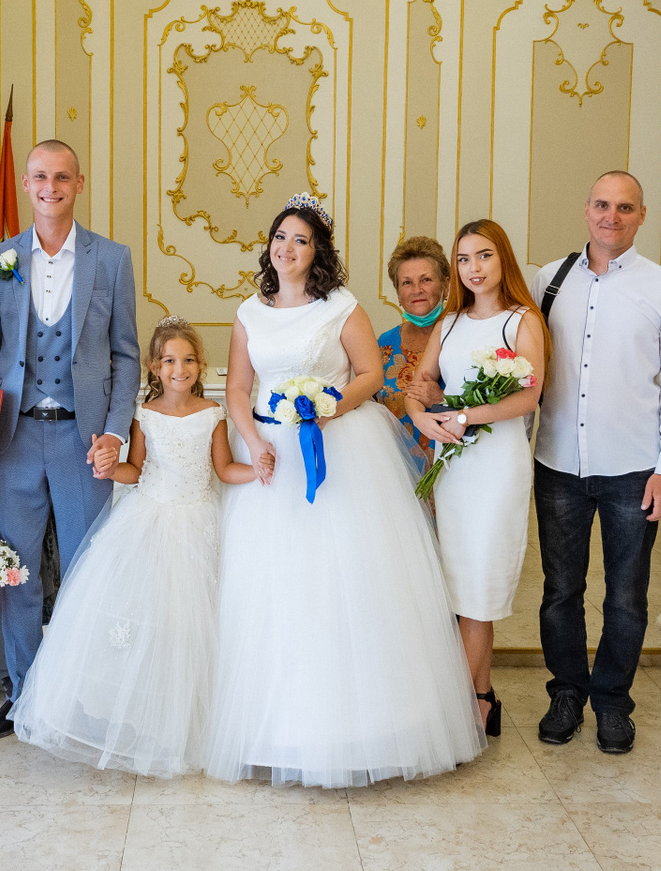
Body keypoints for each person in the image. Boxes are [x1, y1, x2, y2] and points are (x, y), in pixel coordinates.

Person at [209, 193, 485, 787]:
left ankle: (367, 729)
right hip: (271, 456)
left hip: (341, 451)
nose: (288, 248)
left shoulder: (340, 305)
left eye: (301, 240)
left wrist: (330, 406)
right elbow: (237, 389)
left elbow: (371, 373)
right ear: (269, 245)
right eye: (281, 237)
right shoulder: (249, 312)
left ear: (318, 252)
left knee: (345, 584)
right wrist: (253, 441)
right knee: (276, 589)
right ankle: (275, 728)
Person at [13, 317, 254, 775]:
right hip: (149, 519)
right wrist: (109, 469)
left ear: (201, 364)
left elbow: (224, 469)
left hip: (198, 521)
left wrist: (258, 470)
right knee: (149, 615)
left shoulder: (213, 413)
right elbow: (137, 470)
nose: (180, 369)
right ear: (154, 367)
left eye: (188, 360)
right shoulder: (145, 415)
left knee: (192, 620)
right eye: (169, 360)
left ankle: (187, 721)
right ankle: (141, 717)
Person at [0, 140, 141, 742]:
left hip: (81, 440)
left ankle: (82, 697)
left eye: (62, 177)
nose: (50, 187)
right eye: (40, 176)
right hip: (14, 439)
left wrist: (114, 431)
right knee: (16, 573)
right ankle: (22, 696)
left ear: (79, 184)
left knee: (87, 571)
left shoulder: (111, 259)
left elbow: (126, 354)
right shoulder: (0, 258)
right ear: (26, 182)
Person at [530, 170, 661, 755]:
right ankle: (566, 693)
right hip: (558, 463)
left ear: (641, 216)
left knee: (626, 596)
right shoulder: (549, 280)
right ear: (586, 209)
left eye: (625, 207)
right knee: (560, 590)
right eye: (602, 204)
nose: (612, 216)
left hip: (635, 468)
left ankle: (611, 703)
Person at [407, 220, 546, 737]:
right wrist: (423, 418)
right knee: (459, 582)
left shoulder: (522, 320)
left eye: (483, 255)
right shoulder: (449, 323)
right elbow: (421, 382)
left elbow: (529, 396)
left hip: (497, 465)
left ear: (502, 257)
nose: (474, 268)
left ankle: (456, 712)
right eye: (463, 259)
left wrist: (464, 416)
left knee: (480, 584)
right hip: (453, 464)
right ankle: (482, 700)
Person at [377, 236, 449, 477]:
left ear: (446, 285)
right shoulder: (383, 344)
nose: (417, 290)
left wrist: (443, 401)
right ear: (398, 293)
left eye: (426, 280)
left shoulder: (462, 338)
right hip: (395, 474)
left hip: (451, 471)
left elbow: (489, 409)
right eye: (407, 282)